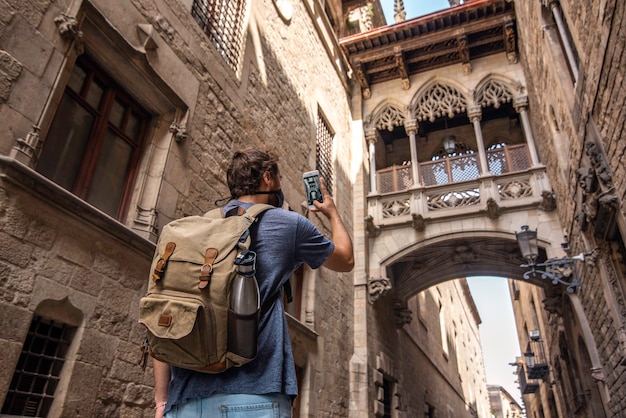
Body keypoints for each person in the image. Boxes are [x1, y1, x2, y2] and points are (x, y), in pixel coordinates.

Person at [152, 148, 354, 417]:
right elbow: (346, 260)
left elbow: (162, 311)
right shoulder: (289, 225)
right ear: (268, 179)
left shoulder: (194, 228)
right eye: (279, 178)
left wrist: (161, 400)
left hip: (185, 399)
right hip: (255, 396)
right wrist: (331, 213)